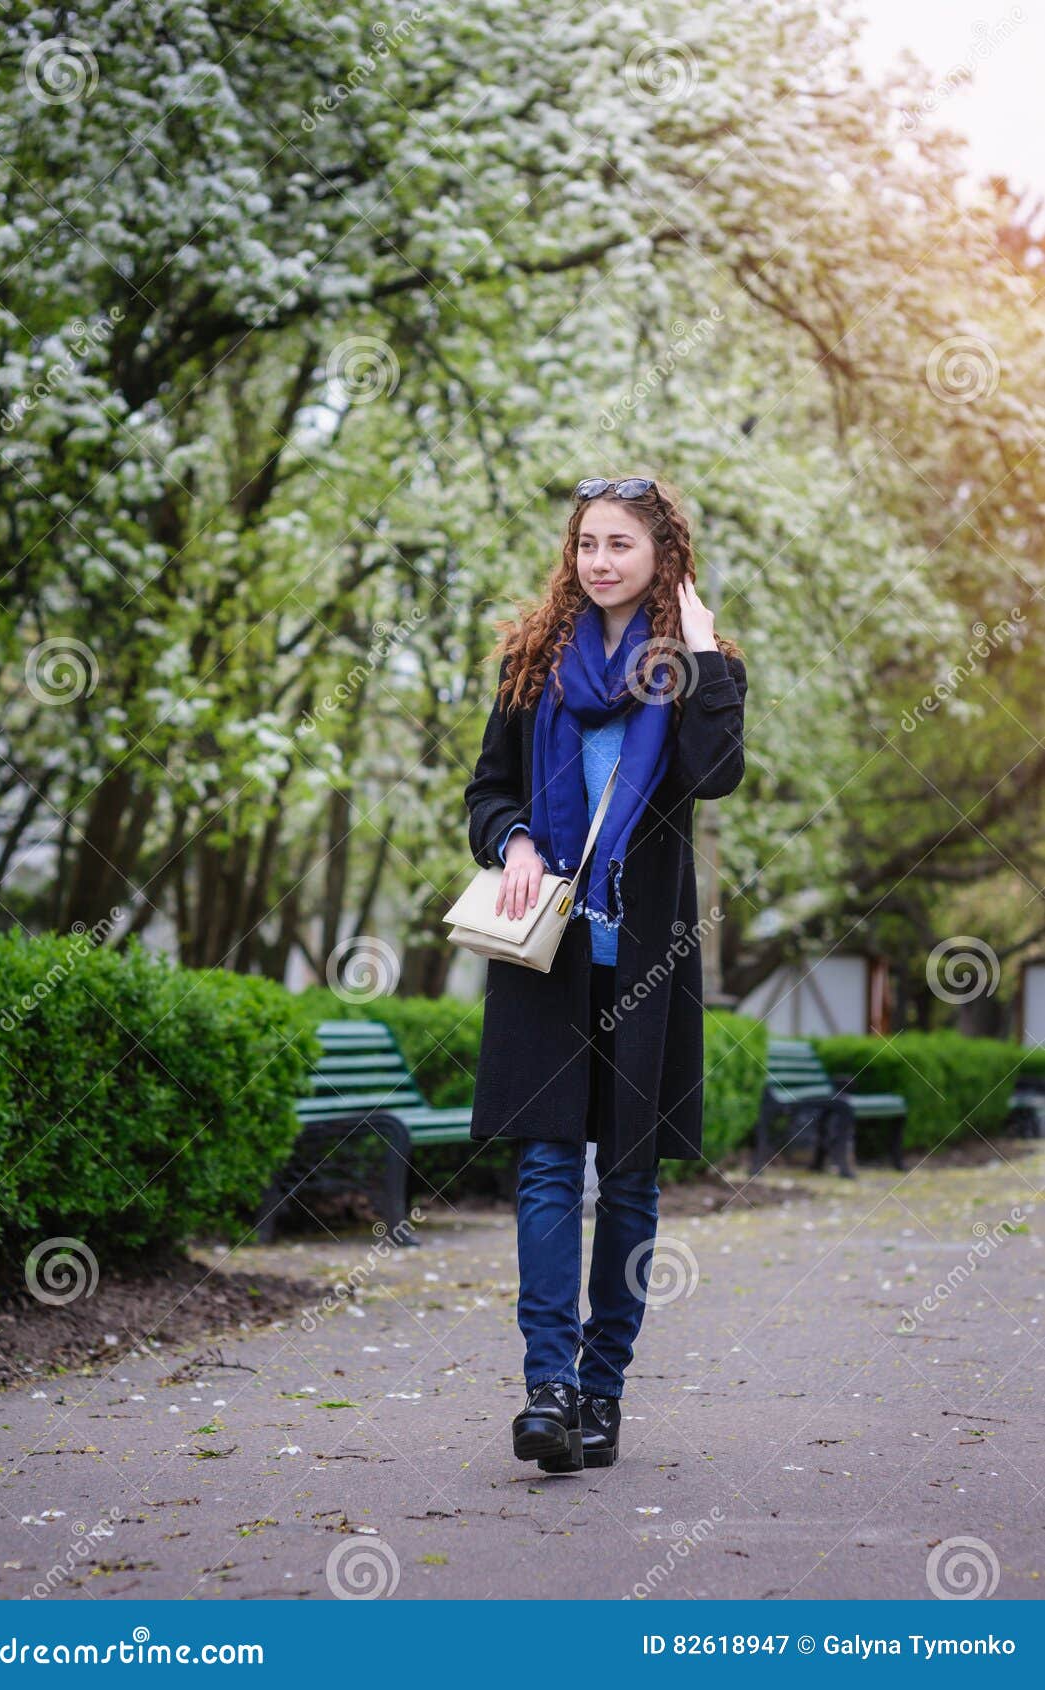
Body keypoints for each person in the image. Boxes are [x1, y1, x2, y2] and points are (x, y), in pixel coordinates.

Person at [463, 474, 748, 1474]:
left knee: (628, 1181)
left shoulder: (696, 668)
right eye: (587, 542)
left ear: (662, 552)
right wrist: (515, 844)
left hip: (645, 963)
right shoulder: (531, 662)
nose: (599, 560)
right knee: (545, 1167)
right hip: (547, 951)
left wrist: (706, 652)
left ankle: (601, 1394)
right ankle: (545, 1388)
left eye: (620, 543)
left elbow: (715, 773)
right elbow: (487, 795)